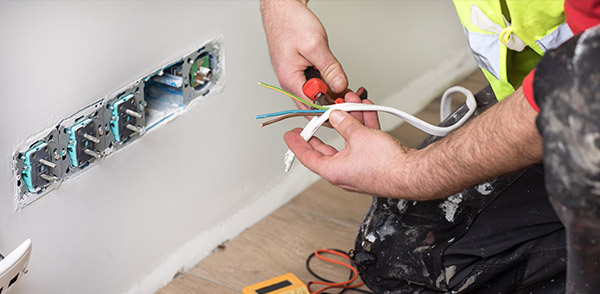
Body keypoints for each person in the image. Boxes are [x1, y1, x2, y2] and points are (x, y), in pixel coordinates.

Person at [260, 0, 600, 292]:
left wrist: (412, 173)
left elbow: (583, 92)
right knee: (392, 253)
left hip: (584, 113)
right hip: (549, 99)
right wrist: (281, 7)